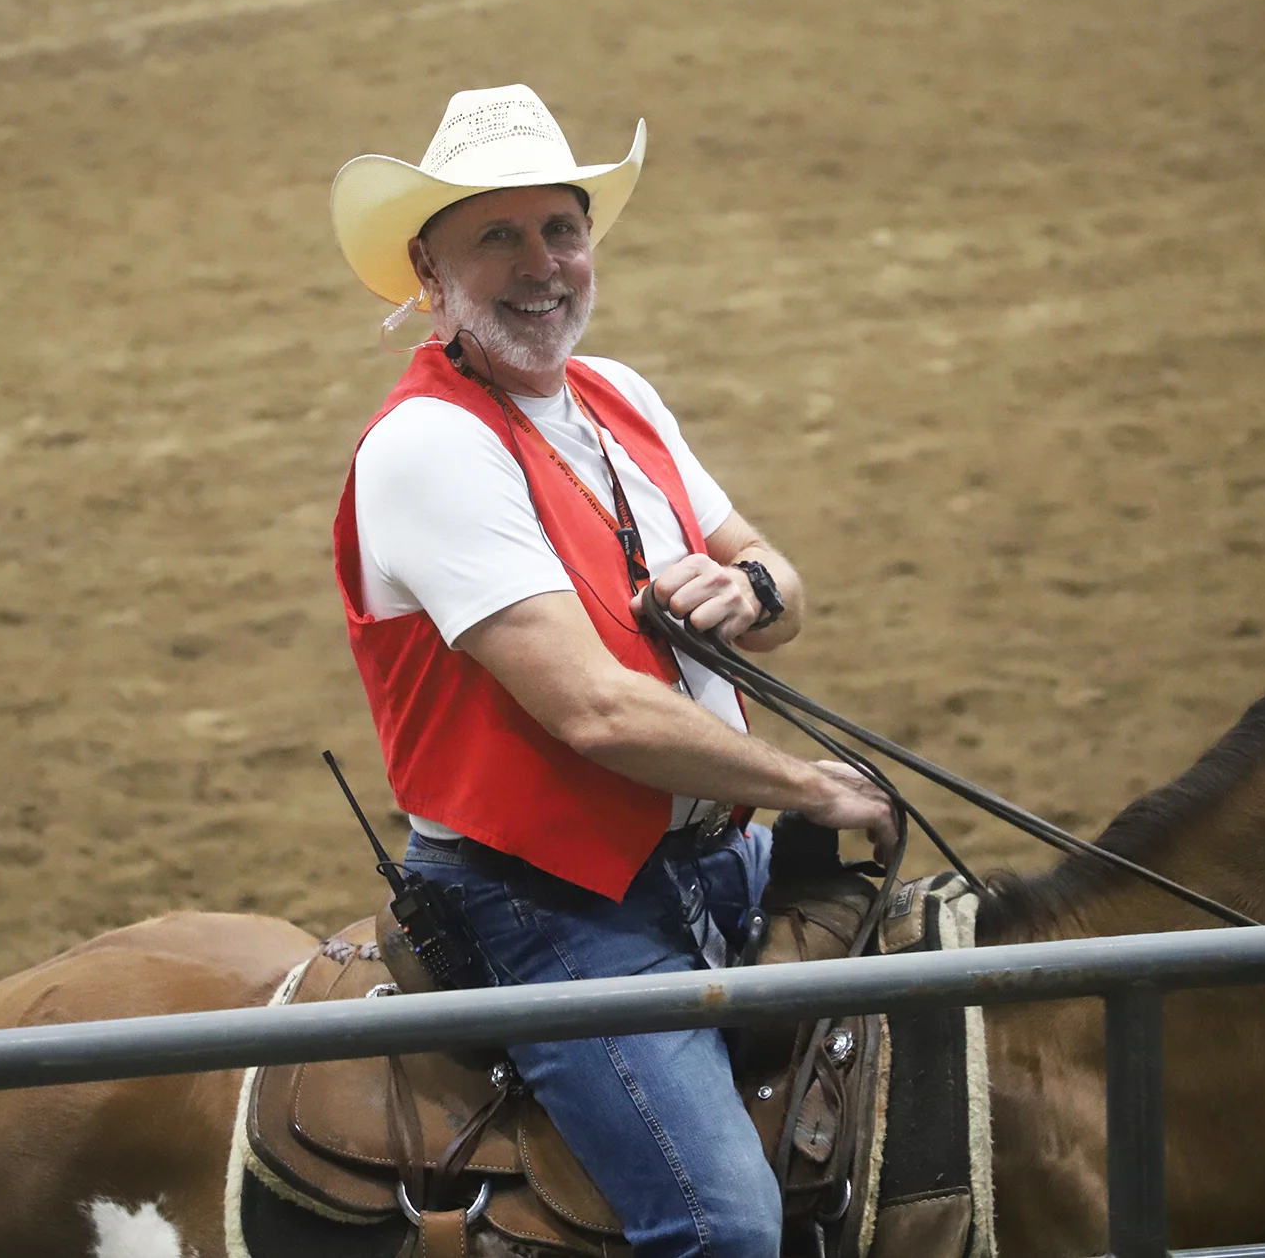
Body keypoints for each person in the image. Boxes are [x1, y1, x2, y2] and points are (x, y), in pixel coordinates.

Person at [329, 85, 898, 1258]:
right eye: (497, 235)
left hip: (712, 859)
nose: (541, 265)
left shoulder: (618, 395)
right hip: (551, 905)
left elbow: (773, 578)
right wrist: (806, 784)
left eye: (561, 230)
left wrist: (754, 591)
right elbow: (590, 711)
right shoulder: (428, 445)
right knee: (722, 1227)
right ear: (428, 276)